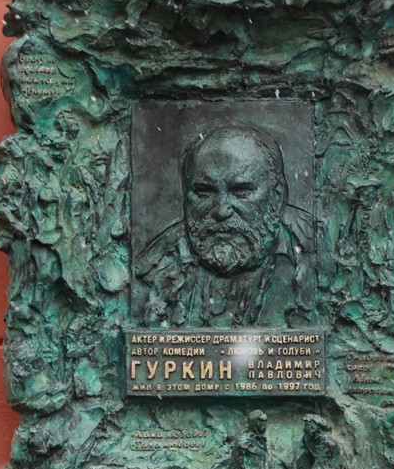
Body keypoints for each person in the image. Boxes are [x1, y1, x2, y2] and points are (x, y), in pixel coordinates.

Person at [135, 123, 315, 328]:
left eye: (241, 191)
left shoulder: (317, 259)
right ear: (186, 197)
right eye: (204, 191)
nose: (221, 211)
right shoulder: (151, 269)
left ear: (276, 198)